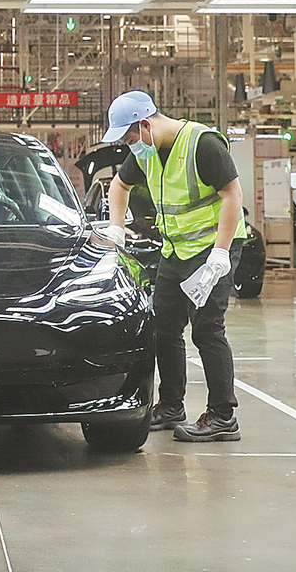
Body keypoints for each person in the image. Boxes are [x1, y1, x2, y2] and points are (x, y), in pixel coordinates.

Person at [100, 90, 247, 442]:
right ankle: (170, 405)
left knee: (207, 329)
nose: (130, 147)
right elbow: (118, 186)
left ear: (145, 125)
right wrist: (116, 227)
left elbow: (232, 195)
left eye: (130, 138)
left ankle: (223, 416)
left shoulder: (202, 144)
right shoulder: (147, 153)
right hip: (176, 251)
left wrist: (221, 253)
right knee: (164, 326)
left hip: (213, 250)